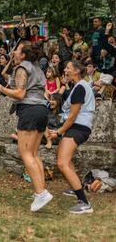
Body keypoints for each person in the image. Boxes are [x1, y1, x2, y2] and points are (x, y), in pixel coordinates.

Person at [0, 42, 52, 212]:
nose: (14, 52)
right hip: (41, 110)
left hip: (29, 110)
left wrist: (1, 89)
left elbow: (20, 93)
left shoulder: (22, 68)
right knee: (34, 154)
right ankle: (40, 190)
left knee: (25, 154)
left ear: (23, 55)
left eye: (17, 50)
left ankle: (41, 193)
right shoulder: (38, 68)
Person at [48, 61, 95, 214]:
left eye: (68, 68)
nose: (65, 70)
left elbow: (73, 116)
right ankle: (76, 187)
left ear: (76, 71)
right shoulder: (77, 86)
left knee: (62, 163)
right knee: (64, 159)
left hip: (79, 127)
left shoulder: (80, 87)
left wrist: (58, 132)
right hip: (76, 127)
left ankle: (84, 203)